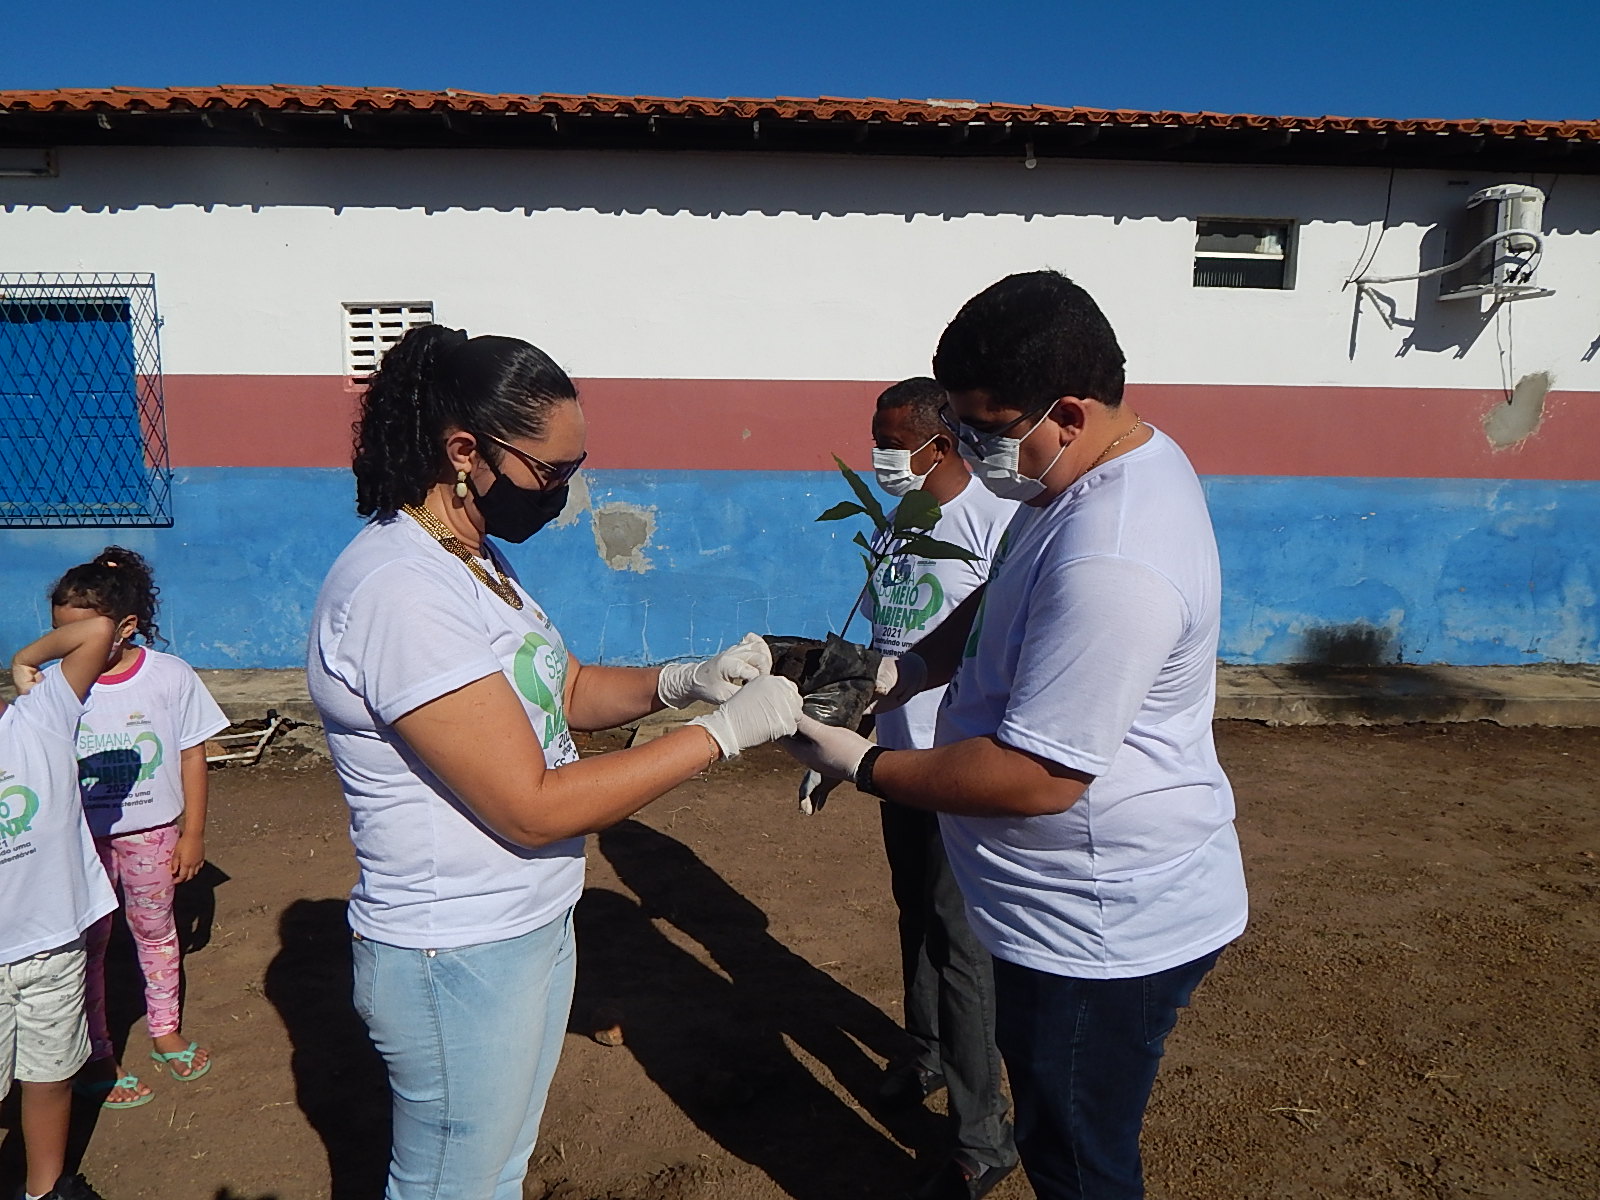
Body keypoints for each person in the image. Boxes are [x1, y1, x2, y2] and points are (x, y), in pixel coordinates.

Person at [306, 324, 802, 1200]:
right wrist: (720, 738)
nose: (563, 496)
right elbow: (531, 804)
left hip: (523, 925)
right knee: (450, 1187)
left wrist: (684, 680)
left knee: (495, 1172)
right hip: (453, 949)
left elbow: (561, 690)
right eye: (549, 474)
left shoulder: (472, 558)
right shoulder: (402, 591)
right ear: (466, 451)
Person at [784, 270, 1249, 1200]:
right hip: (1063, 901)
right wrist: (908, 668)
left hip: (1097, 924)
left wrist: (866, 763)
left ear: (1067, 412)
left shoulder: (1118, 553)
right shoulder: (1099, 468)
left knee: (1077, 1161)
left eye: (986, 432)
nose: (969, 451)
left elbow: (1037, 778)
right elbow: (1000, 591)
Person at [801, 377, 1018, 1200]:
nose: (881, 457)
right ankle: (924, 1055)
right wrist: (844, 740)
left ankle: (982, 1134)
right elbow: (883, 638)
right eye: (874, 440)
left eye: (892, 441)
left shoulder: (993, 524)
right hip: (892, 758)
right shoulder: (904, 521)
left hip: (954, 764)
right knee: (916, 919)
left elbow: (990, 645)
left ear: (940, 440)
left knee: (960, 949)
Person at [47, 547, 229, 1110]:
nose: (69, 650)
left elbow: (192, 756)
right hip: (79, 842)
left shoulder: (170, 677)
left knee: (155, 932)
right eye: (59, 638)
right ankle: (98, 1052)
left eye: (82, 636)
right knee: (88, 945)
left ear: (126, 628)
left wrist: (192, 835)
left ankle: (163, 1029)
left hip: (153, 836)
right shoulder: (56, 687)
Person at [3, 616, 120, 1200]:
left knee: (49, 1078)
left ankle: (44, 1191)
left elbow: (96, 629)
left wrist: (25, 656)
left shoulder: (38, 718)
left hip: (52, 947)